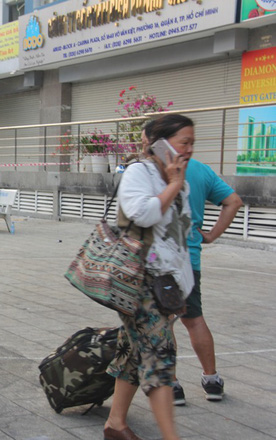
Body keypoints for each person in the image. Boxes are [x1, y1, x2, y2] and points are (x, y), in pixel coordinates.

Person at [104, 114, 195, 440]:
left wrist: (182, 287)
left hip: (165, 284)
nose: (188, 150)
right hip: (138, 281)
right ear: (160, 143)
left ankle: (115, 424)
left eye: (192, 143)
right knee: (160, 354)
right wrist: (172, 185)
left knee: (134, 350)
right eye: (184, 142)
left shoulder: (177, 178)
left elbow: (178, 235)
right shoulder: (139, 173)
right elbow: (141, 214)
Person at [170, 149, 243, 406]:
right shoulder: (201, 169)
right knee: (194, 319)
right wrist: (210, 234)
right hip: (190, 258)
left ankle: (172, 385)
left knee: (164, 323)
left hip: (162, 258)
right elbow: (233, 201)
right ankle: (211, 380)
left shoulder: (156, 168)